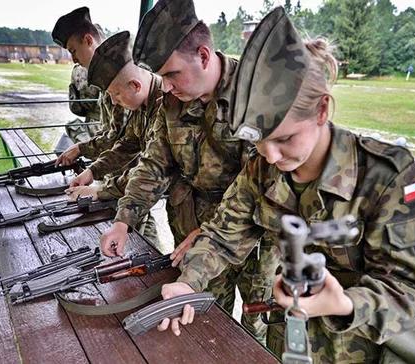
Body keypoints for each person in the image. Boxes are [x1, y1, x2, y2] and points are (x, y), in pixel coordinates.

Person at [157, 8, 415, 363]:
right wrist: (188, 282)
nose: (271, 156)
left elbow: (412, 296)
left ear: (321, 112)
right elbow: (222, 236)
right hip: (285, 342)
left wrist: (345, 302)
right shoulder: (261, 170)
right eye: (259, 141)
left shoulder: (387, 176)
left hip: (358, 349)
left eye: (285, 139)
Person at [97, 0, 279, 342]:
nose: (164, 87)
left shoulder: (254, 96)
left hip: (255, 238)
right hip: (197, 225)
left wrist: (206, 233)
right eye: (161, 77)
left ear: (205, 57)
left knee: (257, 324)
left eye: (171, 74)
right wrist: (124, 220)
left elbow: (261, 191)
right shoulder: (173, 100)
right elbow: (155, 162)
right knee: (206, 321)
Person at [65, 31, 162, 243]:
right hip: (142, 193)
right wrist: (93, 171)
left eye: (115, 94)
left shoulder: (165, 106)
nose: (115, 103)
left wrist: (100, 191)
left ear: (135, 85)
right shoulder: (142, 105)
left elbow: (153, 168)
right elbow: (128, 145)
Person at [51, 7, 127, 166]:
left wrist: (81, 149)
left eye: (73, 51)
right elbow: (110, 132)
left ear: (88, 40)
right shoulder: (105, 73)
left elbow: (122, 139)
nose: (73, 59)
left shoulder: (118, 74)